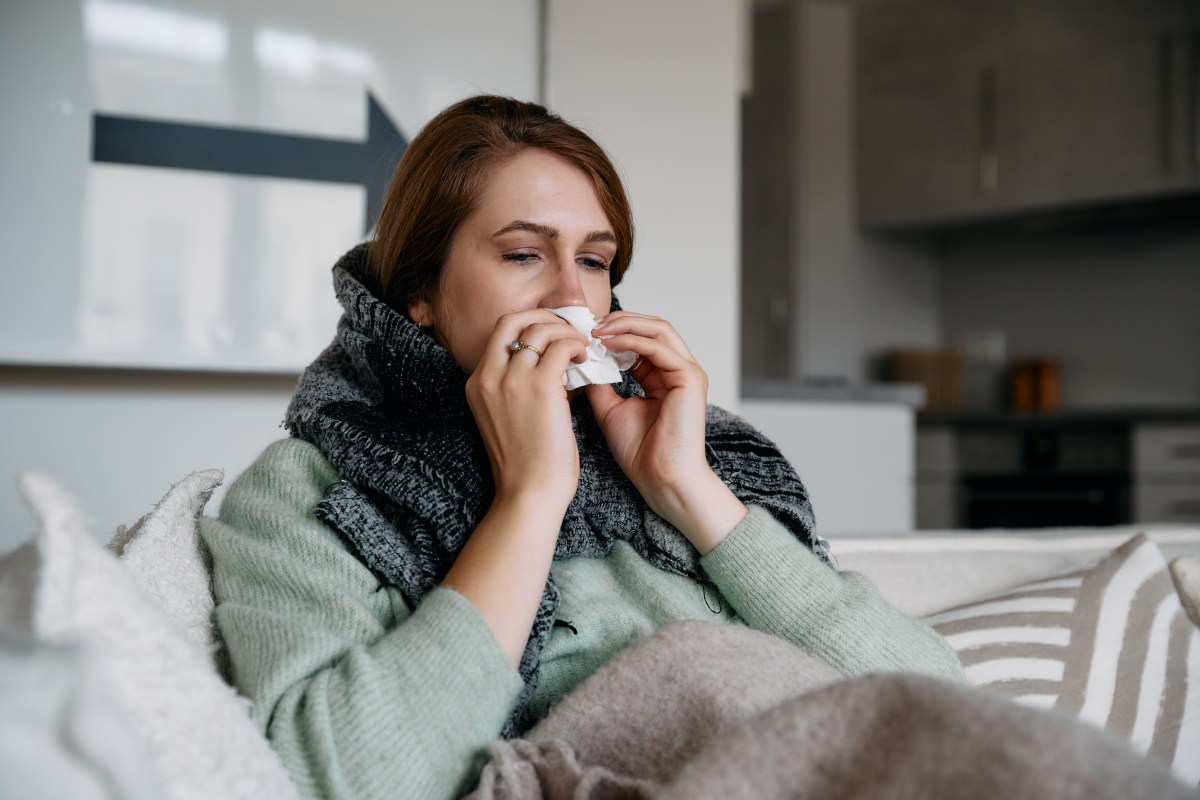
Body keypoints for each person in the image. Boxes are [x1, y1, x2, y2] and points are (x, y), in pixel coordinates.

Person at [200, 95, 965, 800]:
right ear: (420, 295)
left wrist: (687, 487)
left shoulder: (692, 450)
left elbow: (935, 704)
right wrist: (528, 498)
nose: (571, 296)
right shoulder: (313, 490)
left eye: (595, 261)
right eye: (524, 254)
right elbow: (339, 778)